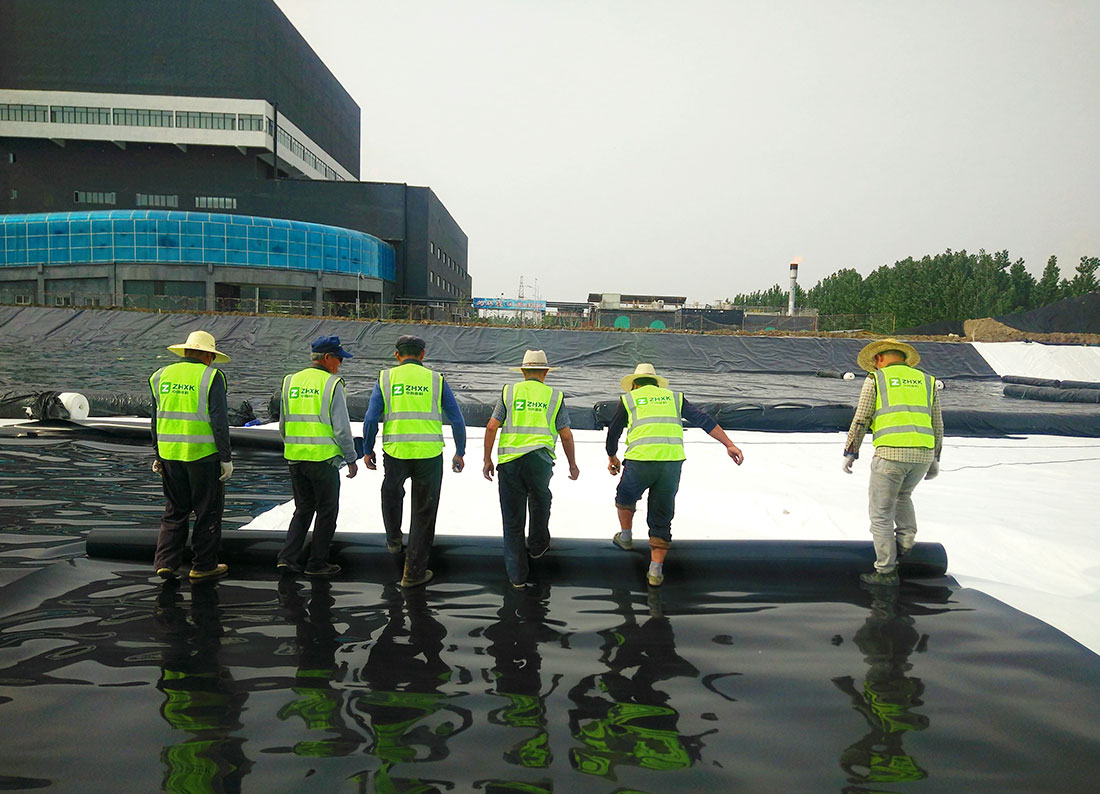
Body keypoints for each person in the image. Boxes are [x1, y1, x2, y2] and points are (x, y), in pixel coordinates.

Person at [606, 363, 744, 587]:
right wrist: (729, 444)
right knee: (662, 512)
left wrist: (612, 456)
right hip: (671, 463)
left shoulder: (629, 400)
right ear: (656, 383)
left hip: (641, 459)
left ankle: (626, 537)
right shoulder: (674, 398)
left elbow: (614, 432)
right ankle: (655, 571)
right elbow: (703, 420)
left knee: (625, 496)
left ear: (634, 384)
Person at [363, 334, 466, 588]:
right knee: (424, 512)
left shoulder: (385, 378)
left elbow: (370, 419)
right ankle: (414, 573)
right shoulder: (435, 379)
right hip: (429, 455)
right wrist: (459, 451)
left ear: (397, 355)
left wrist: (367, 449)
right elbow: (457, 419)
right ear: (423, 354)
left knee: (391, 491)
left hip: (396, 451)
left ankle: (394, 540)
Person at [843, 338, 943, 586]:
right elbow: (937, 423)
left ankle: (885, 571)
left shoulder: (876, 379)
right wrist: (935, 459)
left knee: (881, 515)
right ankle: (907, 540)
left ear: (879, 359)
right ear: (904, 358)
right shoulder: (928, 381)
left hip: (890, 455)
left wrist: (850, 451)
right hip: (922, 455)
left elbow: (862, 417)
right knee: (903, 496)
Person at [482, 349, 581, 588]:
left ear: (523, 371)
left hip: (510, 462)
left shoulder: (509, 392)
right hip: (540, 461)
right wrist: (572, 464)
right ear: (545, 372)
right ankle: (537, 547)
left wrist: (487, 460)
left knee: (513, 520)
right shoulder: (555, 396)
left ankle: (517, 577)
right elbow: (565, 435)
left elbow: (492, 427)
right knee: (540, 499)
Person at [150, 330, 233, 582]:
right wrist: (226, 457)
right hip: (203, 456)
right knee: (207, 512)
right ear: (209, 355)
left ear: (186, 351)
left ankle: (166, 563)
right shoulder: (211, 377)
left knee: (175, 511)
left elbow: (154, 419)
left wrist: (157, 452)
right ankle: (203, 565)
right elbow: (219, 421)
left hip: (169, 454)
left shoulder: (160, 376)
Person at [278, 335, 359, 578]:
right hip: (323, 460)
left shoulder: (290, 381)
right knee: (326, 511)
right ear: (327, 358)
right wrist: (351, 458)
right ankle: (317, 563)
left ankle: (287, 558)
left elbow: (283, 424)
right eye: (338, 359)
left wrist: (293, 448)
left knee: (302, 510)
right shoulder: (333, 384)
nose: (340, 364)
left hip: (295, 458)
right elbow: (342, 429)